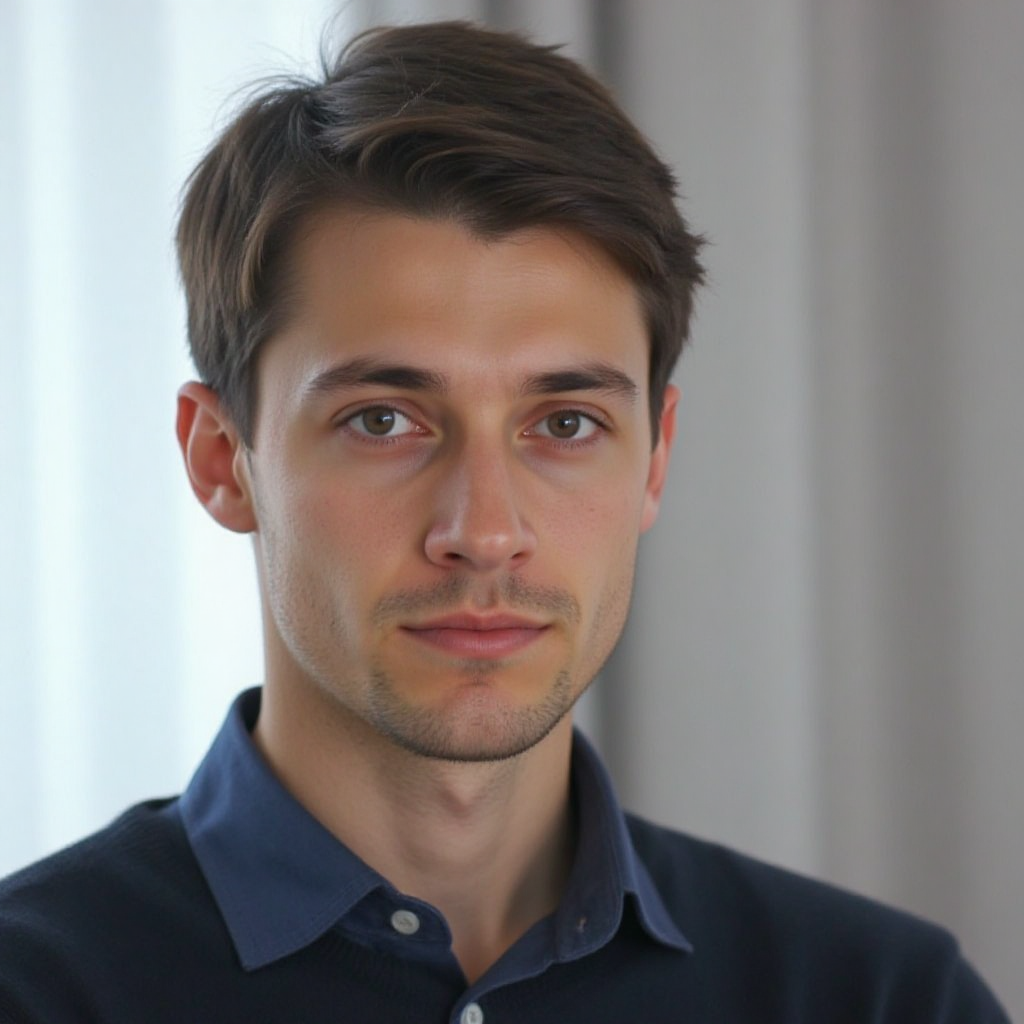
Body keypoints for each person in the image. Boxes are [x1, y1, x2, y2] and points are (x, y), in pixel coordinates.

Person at [0, 20, 1010, 1024]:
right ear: (222, 460)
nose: (483, 532)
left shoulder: (880, 999)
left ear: (655, 456)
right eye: (384, 420)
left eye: (564, 423)